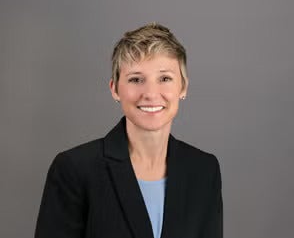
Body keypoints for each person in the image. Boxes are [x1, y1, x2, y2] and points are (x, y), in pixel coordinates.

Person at [35, 23, 223, 238]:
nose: (151, 94)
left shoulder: (204, 170)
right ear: (115, 89)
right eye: (136, 79)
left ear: (183, 87)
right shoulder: (75, 169)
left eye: (164, 78)